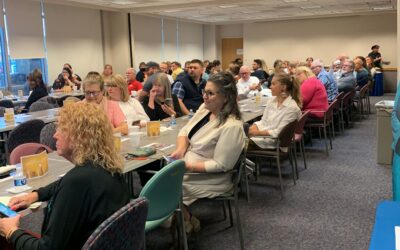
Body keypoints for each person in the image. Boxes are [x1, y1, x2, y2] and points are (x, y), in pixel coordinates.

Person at [0, 102, 130, 249]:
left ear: (79, 136)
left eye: (61, 128)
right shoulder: (105, 166)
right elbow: (63, 183)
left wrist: (11, 231)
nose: (55, 135)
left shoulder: (77, 182)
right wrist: (36, 195)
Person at [170, 72, 245, 233]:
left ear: (226, 97)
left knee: (165, 186)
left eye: (210, 93)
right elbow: (185, 129)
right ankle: (186, 221)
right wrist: (181, 149)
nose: (204, 96)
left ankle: (184, 224)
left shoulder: (231, 126)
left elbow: (221, 164)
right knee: (161, 183)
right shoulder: (205, 109)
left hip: (212, 178)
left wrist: (188, 166)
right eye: (204, 91)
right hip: (189, 166)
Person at [248, 73, 302, 149]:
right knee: (241, 131)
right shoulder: (272, 101)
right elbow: (264, 121)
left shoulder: (291, 108)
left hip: (274, 142)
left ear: (283, 87)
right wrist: (254, 127)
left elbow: (278, 133)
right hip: (263, 137)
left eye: (273, 84)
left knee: (236, 143)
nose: (270, 87)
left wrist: (256, 133)